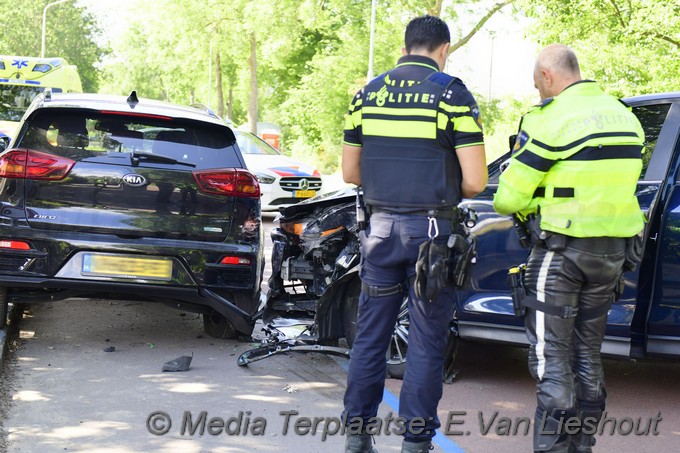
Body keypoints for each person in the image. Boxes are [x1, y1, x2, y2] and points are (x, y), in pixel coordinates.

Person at [341, 15, 487, 453]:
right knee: (425, 341)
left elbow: (350, 172)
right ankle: (415, 443)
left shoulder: (366, 95)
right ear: (444, 50)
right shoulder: (452, 94)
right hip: (431, 237)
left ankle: (356, 438)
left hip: (380, 230)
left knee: (370, 336)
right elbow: (476, 181)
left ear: (405, 48)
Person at [493, 44, 645, 452]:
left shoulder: (552, 119)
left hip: (561, 254)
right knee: (587, 355)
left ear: (547, 76)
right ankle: (582, 446)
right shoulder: (626, 118)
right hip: (612, 254)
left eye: (535, 82)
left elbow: (507, 199)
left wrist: (537, 202)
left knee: (551, 359)